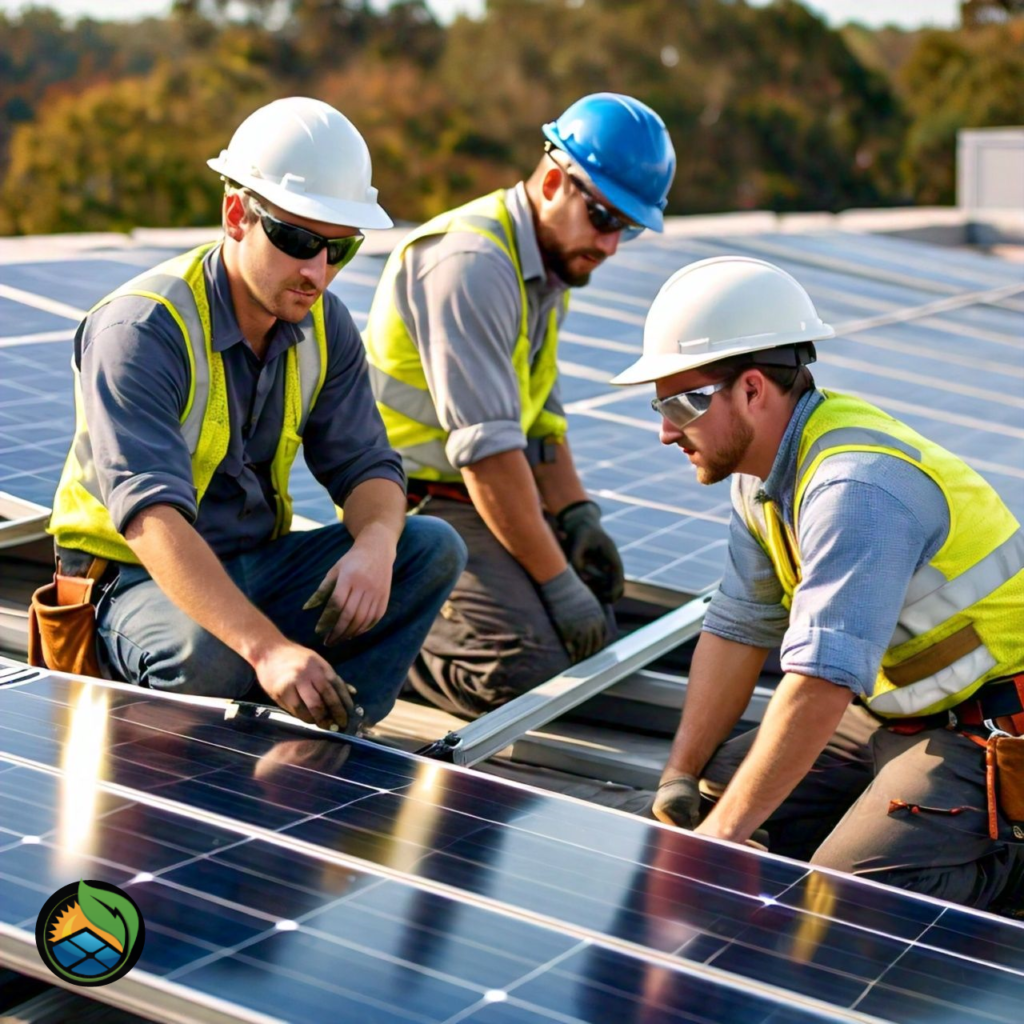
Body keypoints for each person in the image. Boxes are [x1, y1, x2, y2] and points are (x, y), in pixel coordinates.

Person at [611, 255, 1024, 912]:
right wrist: (681, 777)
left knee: (847, 898)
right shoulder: (759, 476)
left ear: (751, 389)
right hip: (895, 715)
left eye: (682, 403)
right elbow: (738, 626)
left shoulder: (854, 489)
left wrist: (722, 840)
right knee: (718, 794)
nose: (665, 431)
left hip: (987, 728)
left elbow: (821, 684)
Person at [48, 97, 467, 731]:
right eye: (298, 239)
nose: (317, 271)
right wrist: (265, 646)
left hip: (253, 562)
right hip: (132, 583)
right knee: (207, 650)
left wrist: (378, 545)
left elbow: (369, 466)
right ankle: (252, 696)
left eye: (339, 249)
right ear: (237, 214)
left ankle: (330, 732)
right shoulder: (142, 330)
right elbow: (150, 517)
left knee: (429, 547)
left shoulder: (324, 323)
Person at [363, 93, 676, 718]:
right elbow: (488, 454)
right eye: (605, 219)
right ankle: (378, 638)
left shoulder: (549, 266)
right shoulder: (472, 265)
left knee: (591, 636)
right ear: (555, 180)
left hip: (471, 496)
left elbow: (540, 427)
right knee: (525, 670)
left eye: (629, 228)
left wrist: (579, 516)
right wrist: (557, 583)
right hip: (409, 504)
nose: (612, 246)